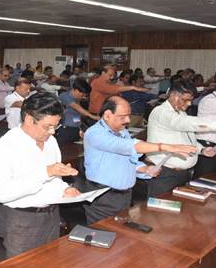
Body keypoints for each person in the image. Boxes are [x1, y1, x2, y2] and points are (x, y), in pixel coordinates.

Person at [0, 92, 80, 257]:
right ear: (30, 119)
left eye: (56, 126)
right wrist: (46, 172)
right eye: (48, 126)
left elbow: (54, 179)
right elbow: (1, 193)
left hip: (52, 215)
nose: (52, 132)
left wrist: (64, 189)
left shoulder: (50, 141)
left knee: (50, 263)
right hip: (22, 221)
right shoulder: (5, 146)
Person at [83, 96, 196, 224]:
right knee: (103, 234)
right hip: (103, 196)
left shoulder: (122, 131)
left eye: (128, 116)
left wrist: (144, 169)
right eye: (123, 117)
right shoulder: (95, 133)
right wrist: (166, 147)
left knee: (121, 236)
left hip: (124, 195)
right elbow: (129, 147)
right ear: (108, 114)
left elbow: (125, 158)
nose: (128, 120)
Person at [145, 81, 216, 197]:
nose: (189, 104)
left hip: (182, 174)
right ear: (173, 95)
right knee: (160, 213)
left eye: (190, 100)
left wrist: (202, 150)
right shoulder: (161, 112)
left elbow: (187, 139)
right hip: (165, 174)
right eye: (185, 100)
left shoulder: (180, 113)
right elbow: (186, 123)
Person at [56, 78, 99, 143]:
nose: (82, 97)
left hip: (76, 129)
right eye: (82, 95)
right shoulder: (64, 96)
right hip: (65, 129)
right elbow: (76, 107)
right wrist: (92, 116)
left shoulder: (76, 99)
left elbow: (78, 114)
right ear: (75, 90)